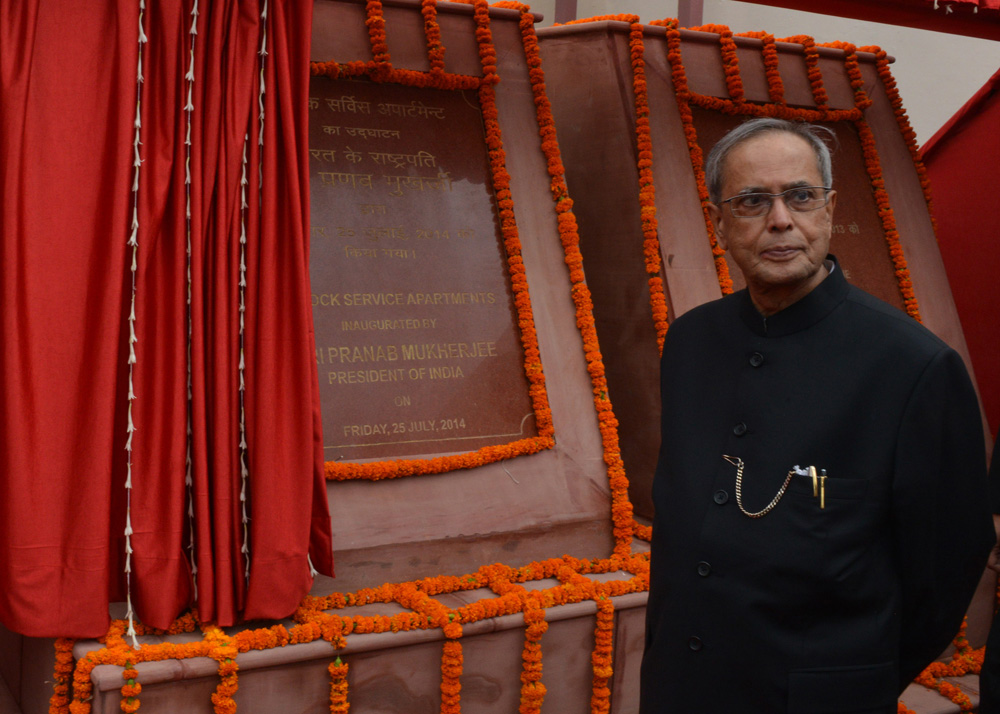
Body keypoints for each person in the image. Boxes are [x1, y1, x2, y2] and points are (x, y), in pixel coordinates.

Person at [638, 117, 993, 714]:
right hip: (682, 690)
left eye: (799, 196)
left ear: (828, 209)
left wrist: (855, 677)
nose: (780, 220)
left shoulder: (913, 367)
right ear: (720, 221)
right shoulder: (691, 343)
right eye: (752, 201)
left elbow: (946, 569)